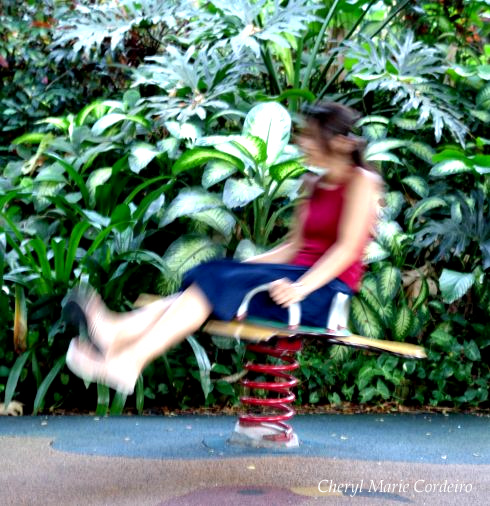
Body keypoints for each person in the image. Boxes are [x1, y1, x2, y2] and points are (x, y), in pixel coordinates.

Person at [64, 101, 382, 395]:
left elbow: (346, 251)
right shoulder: (313, 183)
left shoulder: (362, 183)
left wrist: (300, 288)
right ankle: (118, 334)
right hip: (290, 280)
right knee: (213, 272)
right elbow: (294, 246)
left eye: (311, 137)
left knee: (217, 281)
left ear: (339, 143)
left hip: (321, 292)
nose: (303, 143)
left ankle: (128, 356)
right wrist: (244, 268)